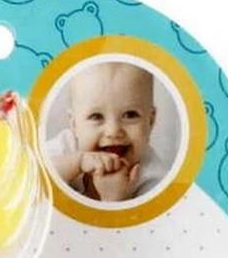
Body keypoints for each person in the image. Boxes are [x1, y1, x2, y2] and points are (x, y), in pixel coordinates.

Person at [47, 62, 167, 202]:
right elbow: (34, 179)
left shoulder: (153, 178)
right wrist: (78, 163)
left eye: (130, 115)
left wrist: (114, 199)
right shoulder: (65, 147)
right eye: (96, 116)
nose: (113, 131)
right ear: (74, 125)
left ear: (150, 121)